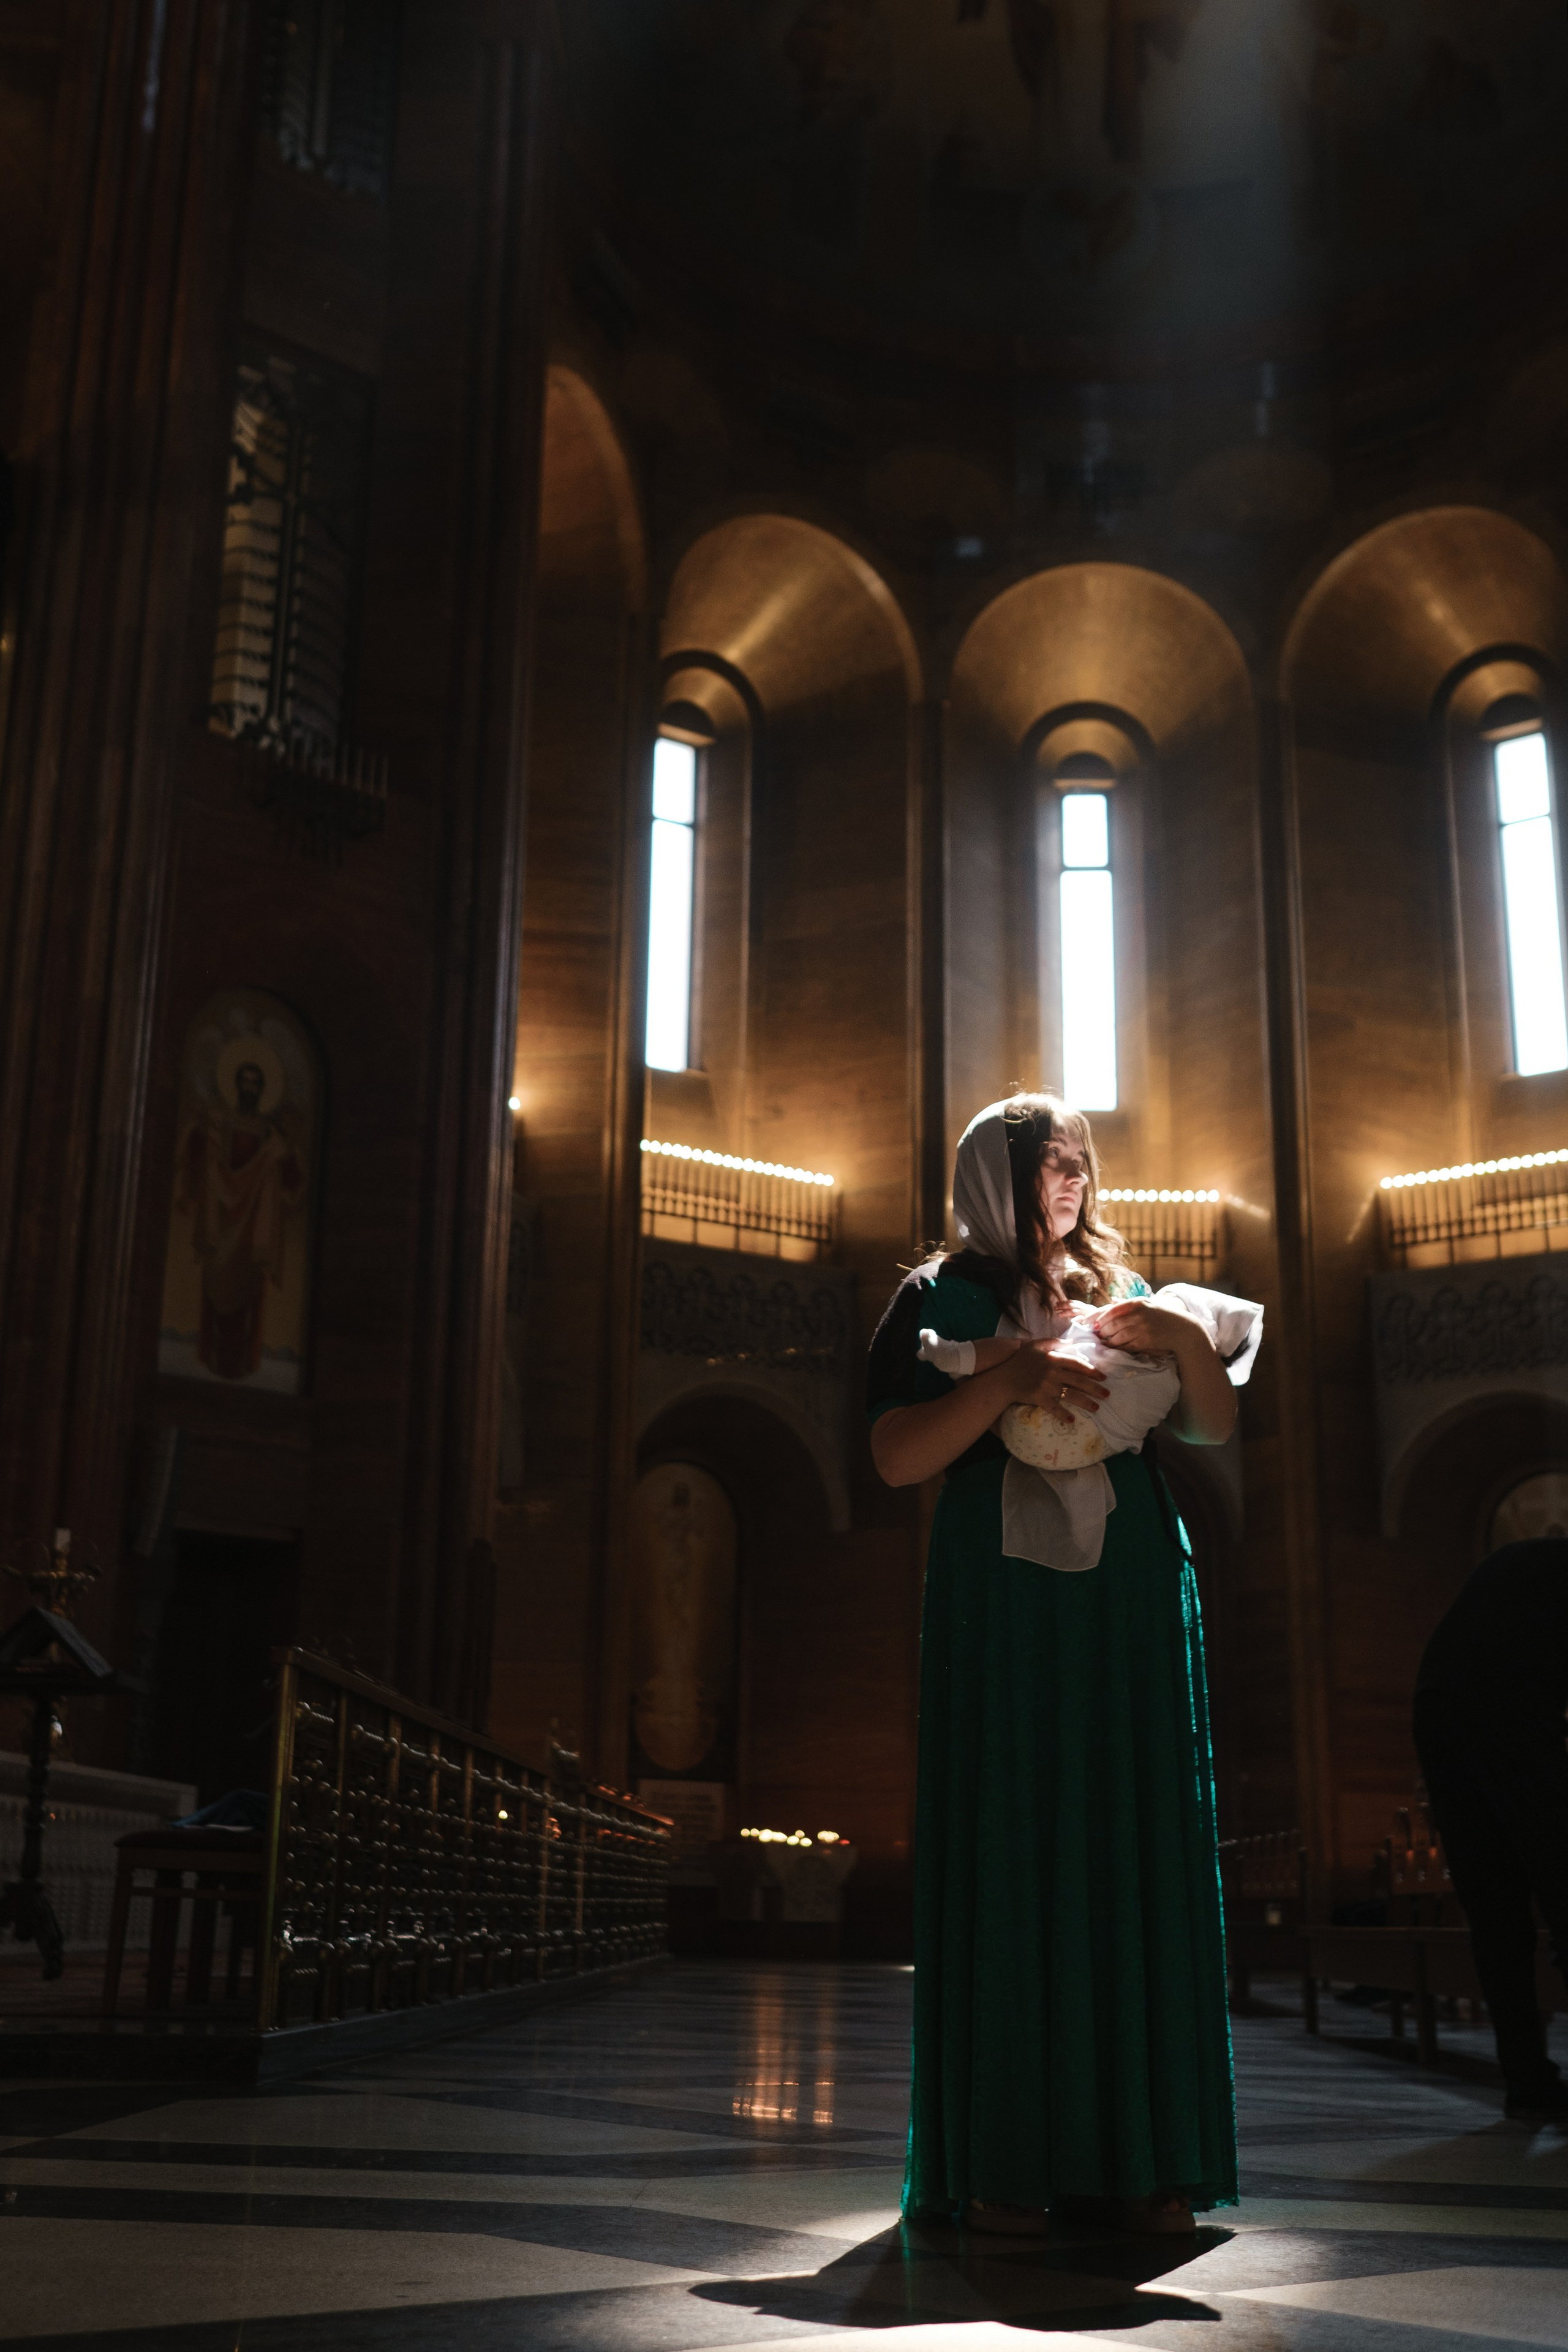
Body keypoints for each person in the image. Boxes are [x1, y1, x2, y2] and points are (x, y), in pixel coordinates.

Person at [867, 1093, 1242, 2237]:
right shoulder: (940, 1298)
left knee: (1137, 1837)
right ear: (995, 1179)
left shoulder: (1126, 1297)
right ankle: (1004, 2160)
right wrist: (1006, 1381)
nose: (1069, 1185)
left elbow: (1213, 1429)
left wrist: (1178, 1340)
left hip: (1130, 1599)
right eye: (1046, 1168)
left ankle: (1146, 2161)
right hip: (1009, 1605)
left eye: (1080, 1166)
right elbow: (893, 1457)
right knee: (1018, 1835)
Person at [1412, 1539, 1568, 2121]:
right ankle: (1530, 2081)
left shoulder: (1529, 1562)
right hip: (1506, 1712)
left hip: (1438, 1714)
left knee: (1497, 1915)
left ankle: (1527, 2083)